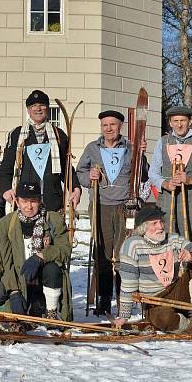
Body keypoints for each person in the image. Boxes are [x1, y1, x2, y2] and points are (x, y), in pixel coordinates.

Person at [147, 105, 192, 308]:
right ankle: (169, 297)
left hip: (191, 201)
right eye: (175, 121)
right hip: (167, 201)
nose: (179, 125)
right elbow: (153, 172)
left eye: (183, 121)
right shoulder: (162, 142)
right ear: (170, 123)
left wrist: (191, 179)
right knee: (165, 245)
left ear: (190, 122)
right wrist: (165, 183)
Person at [115, 206, 192, 333]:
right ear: (143, 227)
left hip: (177, 290)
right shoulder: (132, 245)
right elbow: (128, 283)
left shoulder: (172, 239)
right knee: (164, 318)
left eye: (161, 221)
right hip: (153, 300)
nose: (160, 226)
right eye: (154, 223)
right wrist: (124, 316)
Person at [76, 110, 134, 315]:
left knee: (122, 255)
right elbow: (79, 172)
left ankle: (122, 299)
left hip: (125, 207)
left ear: (120, 127)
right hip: (100, 205)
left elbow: (141, 174)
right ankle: (104, 299)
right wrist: (88, 176)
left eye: (113, 125)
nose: (109, 129)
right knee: (102, 253)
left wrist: (141, 156)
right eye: (105, 125)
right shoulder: (93, 149)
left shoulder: (130, 148)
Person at [0, 182, 73, 320]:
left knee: (52, 269)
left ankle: (52, 313)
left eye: (33, 201)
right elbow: (6, 262)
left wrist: (40, 256)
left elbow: (65, 250)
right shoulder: (6, 223)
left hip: (47, 279)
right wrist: (13, 292)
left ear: (40, 200)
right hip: (21, 281)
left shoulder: (53, 219)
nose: (29, 206)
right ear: (17, 201)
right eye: (24, 201)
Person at [0, 90, 81, 213]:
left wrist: (75, 187)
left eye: (42, 105)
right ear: (28, 110)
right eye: (33, 106)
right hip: (26, 202)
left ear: (47, 108)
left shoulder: (58, 135)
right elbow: (7, 166)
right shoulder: (17, 135)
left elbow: (66, 168)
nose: (38, 109)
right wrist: (6, 189)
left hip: (52, 202)